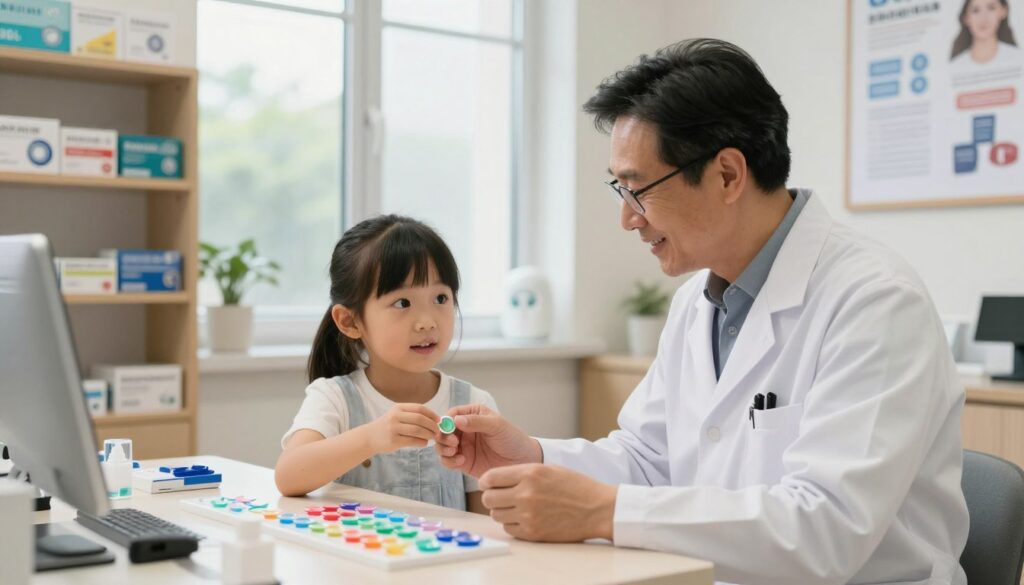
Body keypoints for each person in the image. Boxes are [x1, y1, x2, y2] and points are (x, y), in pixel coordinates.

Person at [436, 39, 969, 584]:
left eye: (639, 188)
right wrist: (531, 455)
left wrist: (604, 510)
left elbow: (825, 529)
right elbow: (650, 458)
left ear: (728, 175)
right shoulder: (697, 300)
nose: (627, 218)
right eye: (618, 189)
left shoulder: (874, 300)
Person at [276, 215, 497, 513]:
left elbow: (489, 521)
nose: (427, 322)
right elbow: (288, 475)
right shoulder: (335, 398)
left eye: (441, 297)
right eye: (402, 303)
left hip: (448, 561)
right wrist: (372, 437)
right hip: (356, 560)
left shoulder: (473, 405)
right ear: (350, 321)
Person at [950, 0, 1020, 68]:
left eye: (991, 8)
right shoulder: (955, 67)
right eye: (975, 10)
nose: (983, 18)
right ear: (966, 18)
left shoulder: (1018, 58)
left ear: (1003, 11)